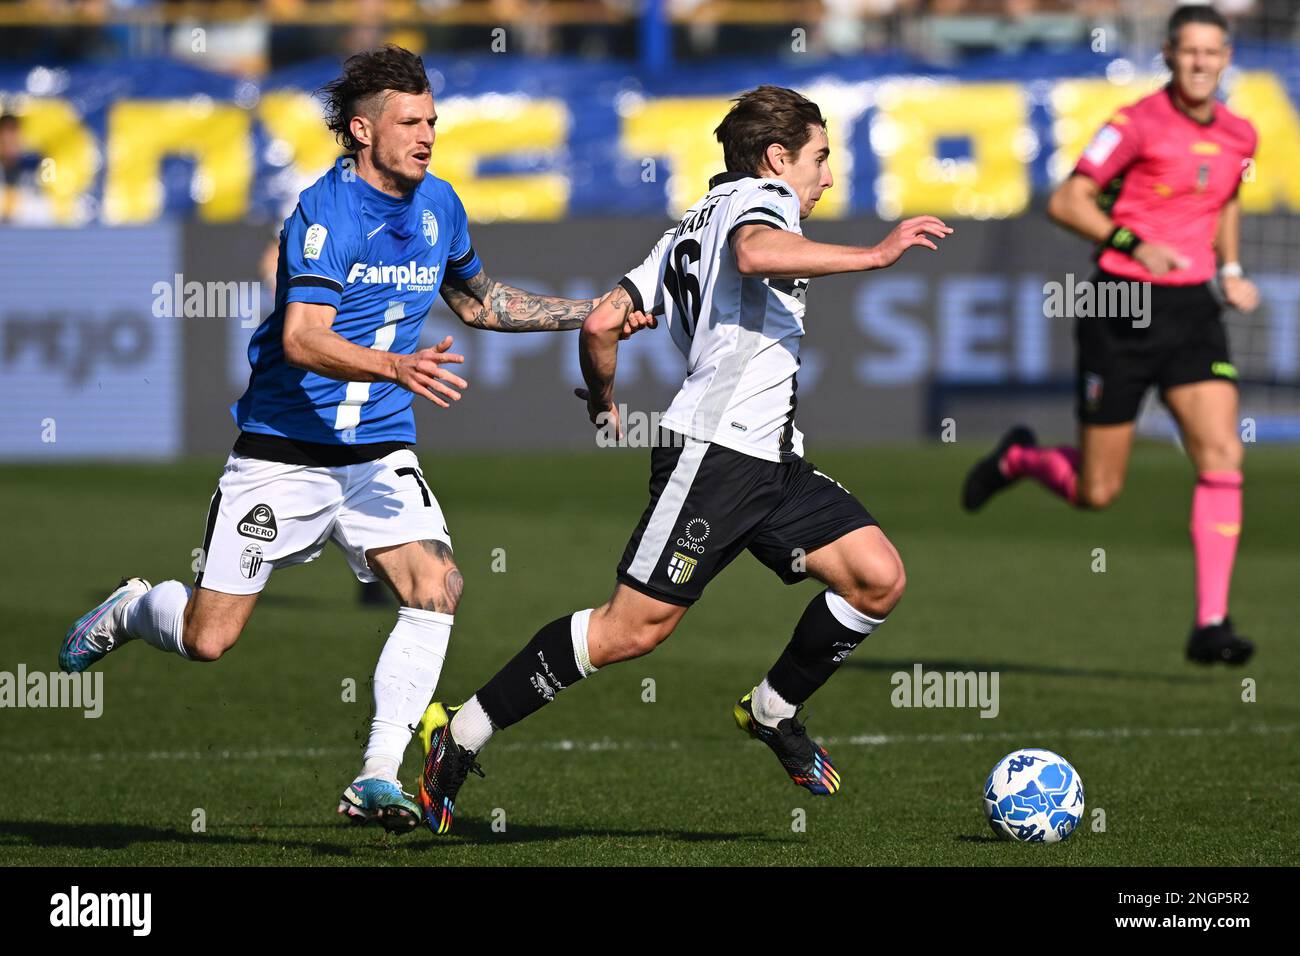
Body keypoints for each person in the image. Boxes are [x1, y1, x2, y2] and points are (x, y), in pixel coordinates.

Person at [58, 45, 649, 834]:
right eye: (410, 121)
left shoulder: (440, 205)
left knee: (437, 585)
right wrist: (392, 364)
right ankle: (135, 609)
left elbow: (479, 302)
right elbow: (303, 338)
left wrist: (592, 310)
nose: (428, 133)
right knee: (209, 639)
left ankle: (377, 775)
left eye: (433, 119)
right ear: (364, 131)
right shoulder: (324, 213)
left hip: (377, 452)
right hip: (284, 449)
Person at [414, 85, 952, 835]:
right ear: (775, 159)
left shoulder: (682, 230)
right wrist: (877, 253)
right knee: (630, 630)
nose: (827, 177)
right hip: (715, 458)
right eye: (820, 159)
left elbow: (603, 320)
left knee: (877, 577)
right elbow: (755, 252)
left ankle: (772, 710)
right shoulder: (763, 203)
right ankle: (460, 732)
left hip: (773, 462)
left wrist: (604, 403)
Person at [961, 5, 1259, 665]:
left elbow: (1227, 194)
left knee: (1221, 457)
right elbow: (1068, 200)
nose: (1201, 63)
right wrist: (1134, 242)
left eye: (1212, 52)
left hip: (1193, 314)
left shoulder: (1241, 133)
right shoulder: (1136, 124)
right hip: (1122, 304)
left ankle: (1211, 622)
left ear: (1227, 56)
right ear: (1169, 55)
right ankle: (1020, 459)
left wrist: (1232, 270)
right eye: (1189, 52)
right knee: (1099, 492)